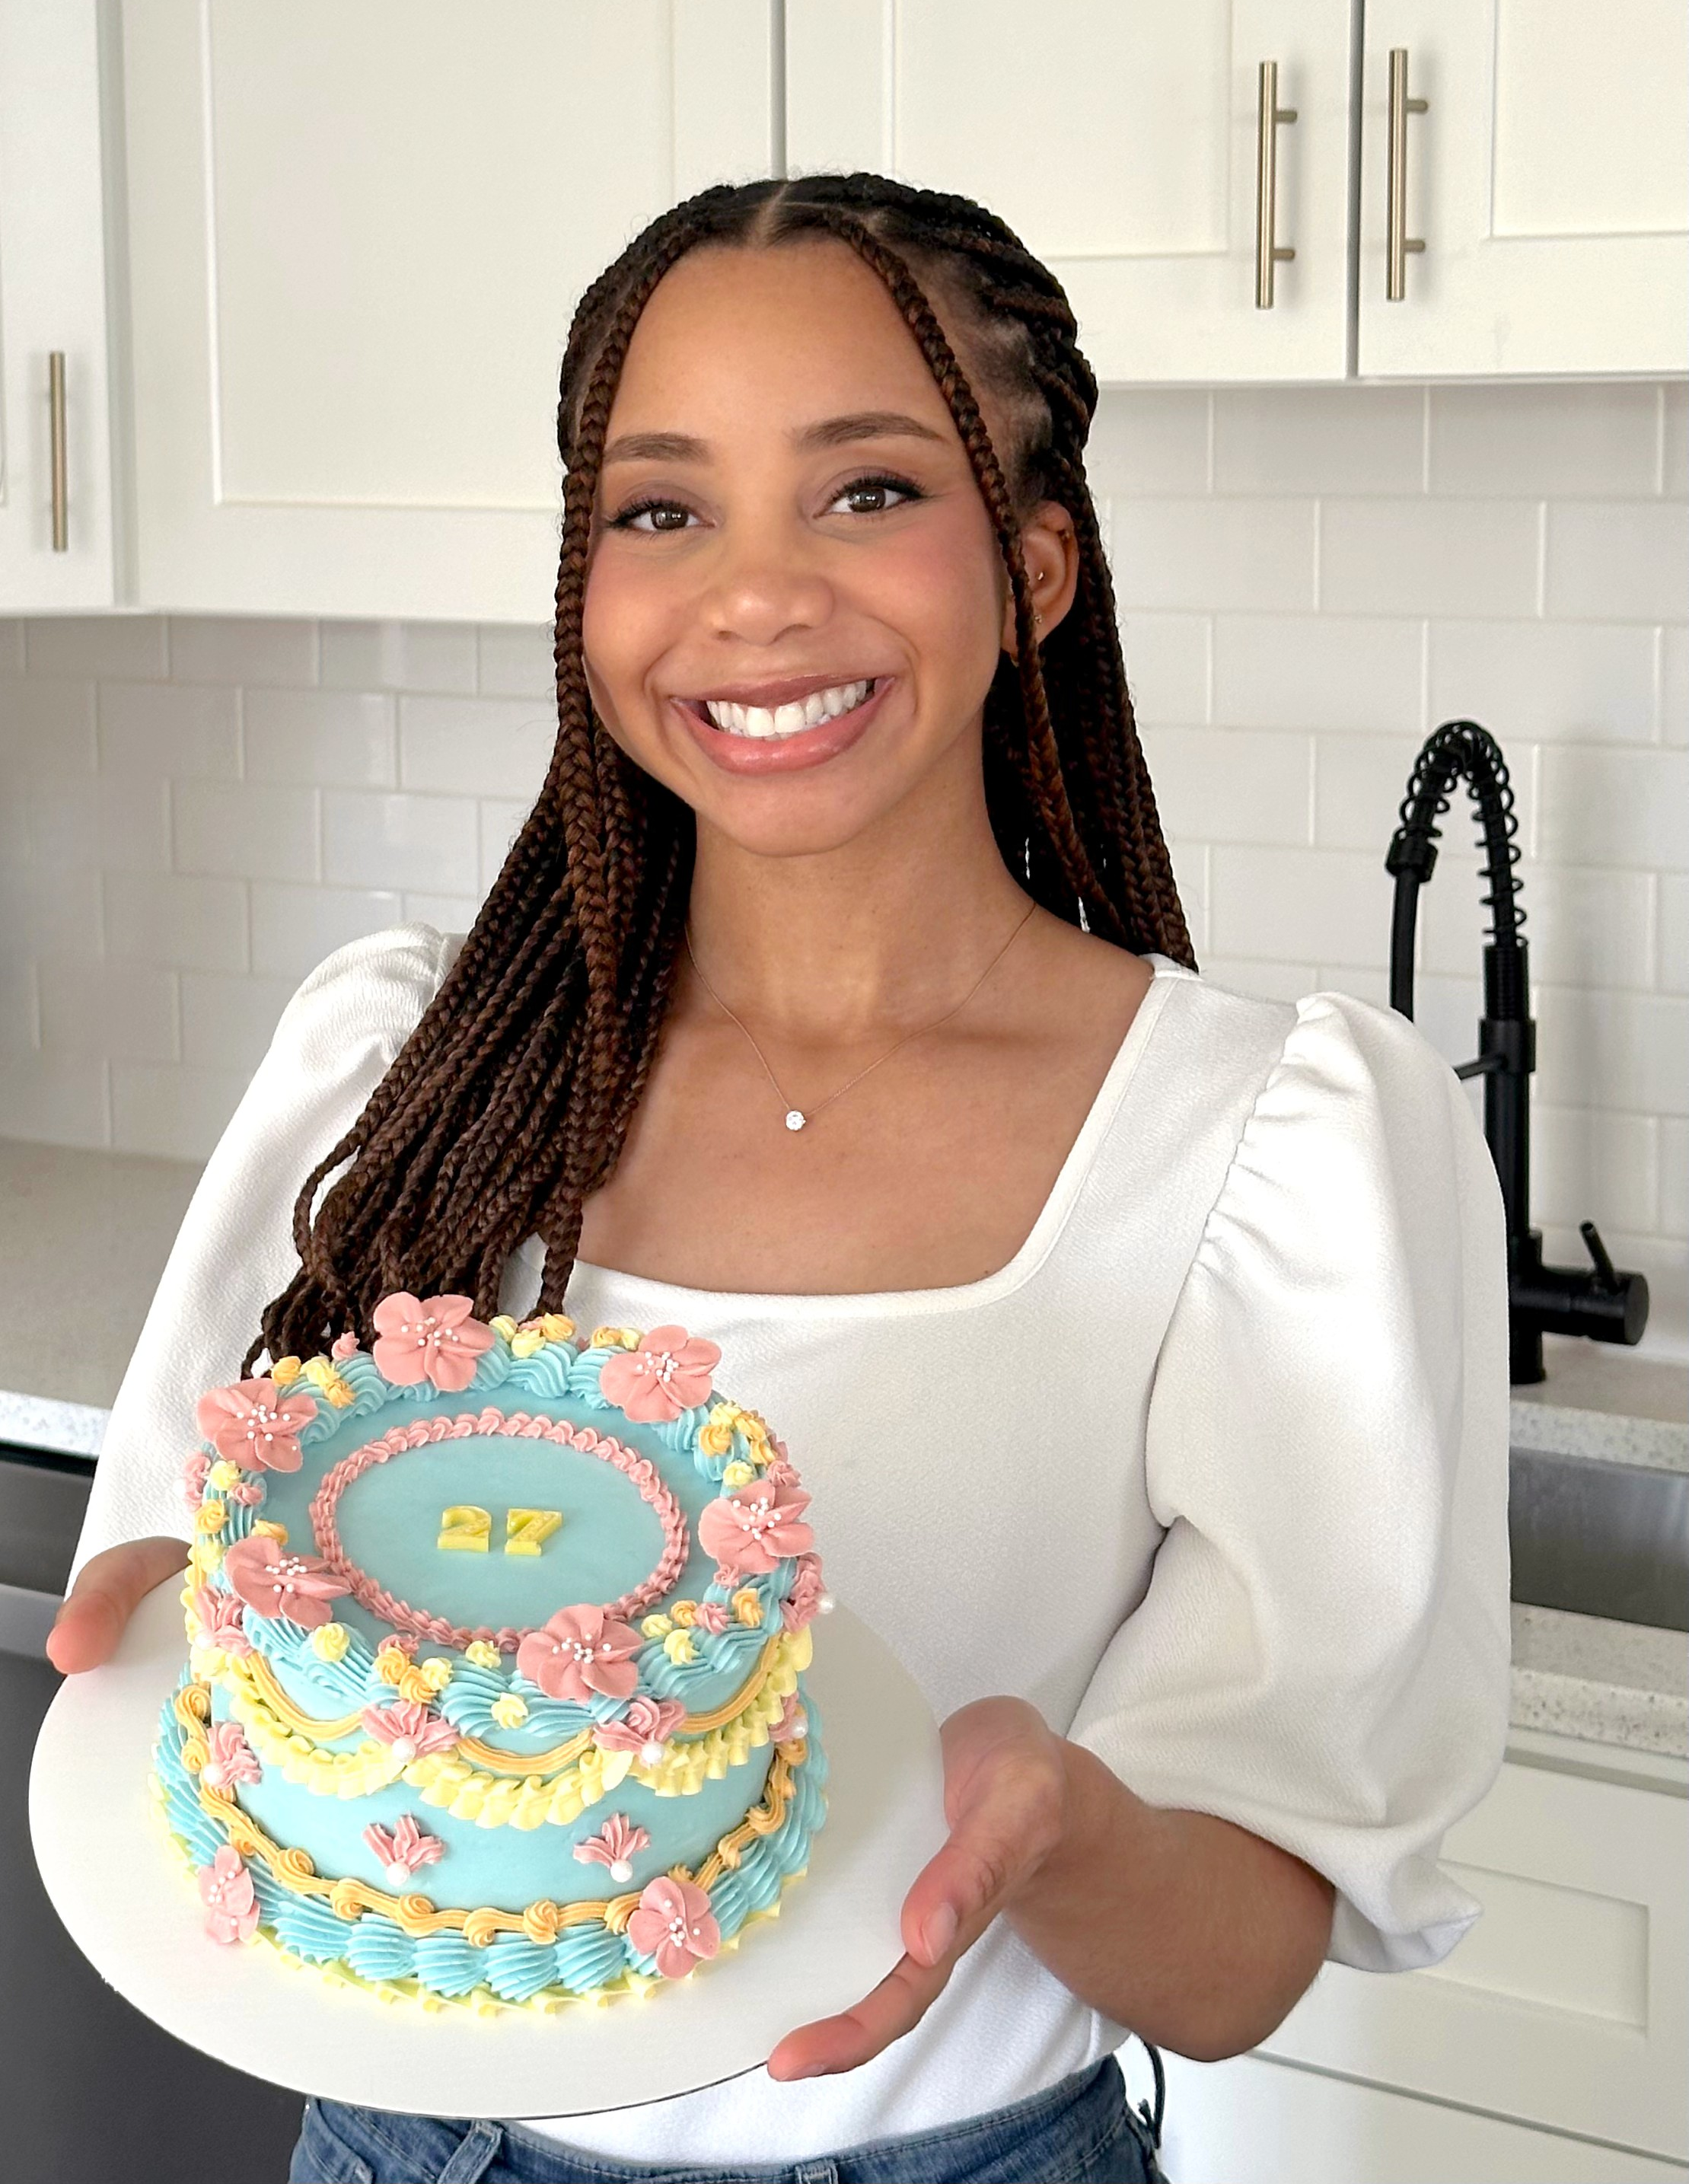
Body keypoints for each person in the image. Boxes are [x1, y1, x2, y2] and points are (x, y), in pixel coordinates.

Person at [48, 173, 1512, 2184]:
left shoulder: (1262, 1146)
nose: (755, 596)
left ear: (1039, 561)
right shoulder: (413, 1076)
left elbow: (1246, 1947)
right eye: (663, 510)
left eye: (869, 492)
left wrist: (1060, 1825)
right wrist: (186, 1667)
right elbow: (197, 1630)